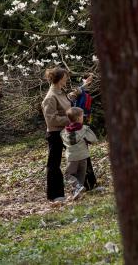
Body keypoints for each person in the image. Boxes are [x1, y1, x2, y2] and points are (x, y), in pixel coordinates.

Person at [41, 68, 93, 202]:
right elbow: (51, 120)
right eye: (65, 77)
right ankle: (56, 195)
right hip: (55, 134)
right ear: (58, 79)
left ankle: (88, 185)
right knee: (54, 164)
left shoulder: (60, 91)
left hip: (68, 131)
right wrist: (72, 119)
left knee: (83, 154)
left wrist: (83, 86)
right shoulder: (50, 97)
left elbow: (69, 98)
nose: (67, 79)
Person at [61, 107, 98, 199]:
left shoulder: (64, 132)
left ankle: (77, 191)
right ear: (78, 118)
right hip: (83, 156)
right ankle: (78, 189)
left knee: (68, 175)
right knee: (80, 175)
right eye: (82, 116)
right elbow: (93, 140)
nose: (83, 117)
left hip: (72, 158)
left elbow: (64, 142)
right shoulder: (85, 129)